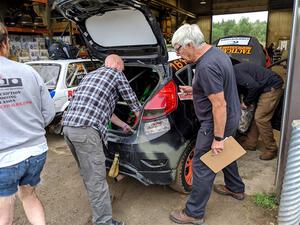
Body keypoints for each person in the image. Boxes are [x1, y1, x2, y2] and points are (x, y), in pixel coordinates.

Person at [169, 24, 245, 225]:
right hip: (231, 117)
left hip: (216, 124)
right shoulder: (217, 54)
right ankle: (235, 188)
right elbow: (217, 90)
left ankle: (194, 213)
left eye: (178, 49)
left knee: (203, 166)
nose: (178, 54)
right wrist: (195, 91)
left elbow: (219, 105)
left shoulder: (206, 66)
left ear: (190, 44)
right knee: (225, 155)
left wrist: (217, 139)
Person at [62, 54, 142, 225]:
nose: (124, 71)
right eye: (123, 67)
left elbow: (105, 111)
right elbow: (131, 99)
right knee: (96, 179)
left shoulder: (90, 76)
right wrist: (142, 118)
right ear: (116, 64)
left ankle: (101, 204)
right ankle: (103, 221)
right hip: (86, 132)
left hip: (68, 129)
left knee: (88, 173)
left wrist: (123, 126)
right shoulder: (115, 73)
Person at [0, 22, 55, 225]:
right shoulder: (29, 71)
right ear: (5, 42)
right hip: (36, 151)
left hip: (4, 158)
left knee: (3, 212)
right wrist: (31, 129)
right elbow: (49, 112)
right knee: (29, 195)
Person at [234, 62, 284, 160]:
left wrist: (246, 103)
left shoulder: (236, 73)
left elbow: (254, 86)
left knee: (261, 118)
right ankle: (251, 143)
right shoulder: (234, 71)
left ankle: (271, 149)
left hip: (271, 87)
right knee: (256, 116)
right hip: (263, 87)